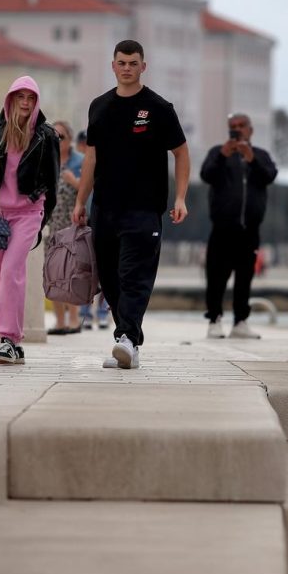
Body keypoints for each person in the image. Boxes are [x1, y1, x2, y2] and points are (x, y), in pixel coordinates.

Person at [73, 39, 189, 370]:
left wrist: (180, 197)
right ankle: (127, 340)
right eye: (122, 63)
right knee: (110, 279)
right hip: (104, 207)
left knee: (133, 275)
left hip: (144, 209)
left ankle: (126, 339)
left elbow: (181, 152)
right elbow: (91, 158)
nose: (127, 68)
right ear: (113, 66)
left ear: (143, 66)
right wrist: (81, 200)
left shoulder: (158, 107)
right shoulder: (99, 106)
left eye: (133, 63)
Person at [0, 77, 59, 364]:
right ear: (10, 99)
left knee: (11, 272)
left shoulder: (46, 136)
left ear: (37, 102)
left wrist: (43, 218)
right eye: (21, 96)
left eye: (31, 97)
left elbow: (52, 180)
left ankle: (7, 340)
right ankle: (13, 341)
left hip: (27, 213)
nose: (26, 102)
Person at [200, 112, 278, 339]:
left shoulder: (260, 155)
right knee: (216, 276)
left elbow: (269, 176)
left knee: (245, 277)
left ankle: (240, 322)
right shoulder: (218, 152)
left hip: (250, 230)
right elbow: (206, 175)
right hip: (222, 229)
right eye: (233, 125)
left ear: (250, 129)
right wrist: (222, 156)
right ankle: (214, 320)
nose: (237, 129)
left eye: (242, 125)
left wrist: (252, 159)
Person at [46, 120, 83, 335]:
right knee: (52, 274)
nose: (58, 141)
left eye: (62, 137)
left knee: (71, 273)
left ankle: (74, 320)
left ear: (70, 140)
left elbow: (90, 189)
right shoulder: (46, 159)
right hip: (50, 224)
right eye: (54, 137)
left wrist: (74, 182)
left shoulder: (80, 161)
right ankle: (60, 321)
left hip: (72, 223)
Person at [73, 129, 110, 331]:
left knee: (106, 269)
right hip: (83, 221)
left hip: (101, 219)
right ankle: (85, 313)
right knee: (85, 269)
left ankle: (103, 312)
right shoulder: (74, 164)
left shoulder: (102, 163)